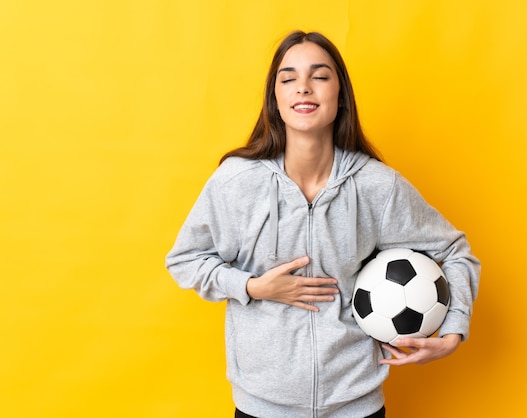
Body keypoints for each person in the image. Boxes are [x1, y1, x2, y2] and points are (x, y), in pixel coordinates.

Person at [166, 30, 480, 418]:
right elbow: (185, 259)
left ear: (340, 95)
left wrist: (453, 329)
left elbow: (453, 252)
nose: (303, 88)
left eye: (319, 76)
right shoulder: (237, 182)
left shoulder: (376, 186)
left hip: (356, 404)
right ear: (275, 100)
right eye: (288, 78)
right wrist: (252, 287)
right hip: (262, 407)